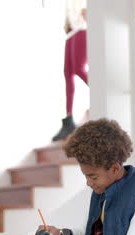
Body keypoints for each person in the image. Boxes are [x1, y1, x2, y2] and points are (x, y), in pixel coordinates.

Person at [40, 118, 135, 235]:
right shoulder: (101, 190)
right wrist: (60, 234)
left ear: (115, 168)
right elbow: (88, 234)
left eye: (93, 177)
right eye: (86, 176)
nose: (88, 183)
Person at [52, 0, 88, 141]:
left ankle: (100, 90)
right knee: (68, 73)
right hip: (71, 30)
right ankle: (69, 118)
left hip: (82, 28)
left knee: (79, 68)